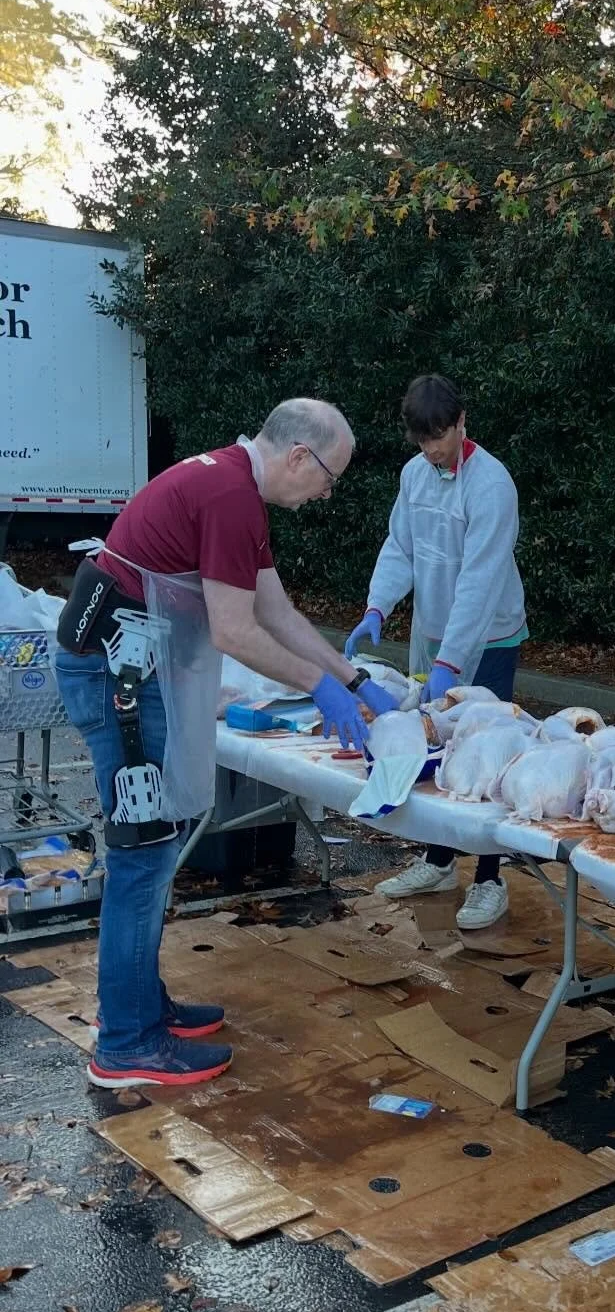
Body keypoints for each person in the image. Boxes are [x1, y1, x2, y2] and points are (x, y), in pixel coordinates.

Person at [55, 399, 399, 1093]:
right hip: (117, 676)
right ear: (300, 456)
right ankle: (126, 1042)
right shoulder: (229, 495)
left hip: (128, 665)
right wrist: (319, 687)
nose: (325, 495)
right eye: (329, 479)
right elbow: (234, 632)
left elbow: (276, 612)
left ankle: (141, 1008)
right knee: (144, 854)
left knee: (154, 844)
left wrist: (354, 678)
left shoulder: (233, 487)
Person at [349, 374, 527, 929]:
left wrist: (452, 662)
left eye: (441, 437)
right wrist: (378, 607)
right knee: (434, 746)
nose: (433, 450)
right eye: (423, 440)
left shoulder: (491, 484)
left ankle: (490, 878)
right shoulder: (414, 475)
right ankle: (439, 859)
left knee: (486, 752)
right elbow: (401, 546)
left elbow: (480, 579)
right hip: (432, 633)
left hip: (490, 636)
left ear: (461, 421)